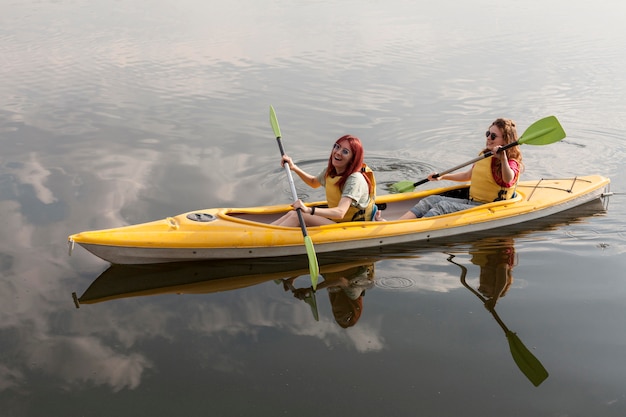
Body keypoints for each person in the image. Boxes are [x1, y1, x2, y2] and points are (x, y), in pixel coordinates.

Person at [399, 118, 523, 219]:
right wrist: (443, 177)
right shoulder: (485, 155)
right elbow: (467, 176)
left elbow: (508, 178)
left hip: (488, 208)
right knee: (431, 200)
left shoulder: (511, 162)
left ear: (506, 140)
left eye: (493, 136)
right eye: (488, 134)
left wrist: (503, 158)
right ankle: (399, 223)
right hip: (472, 202)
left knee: (443, 206)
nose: (488, 138)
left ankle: (413, 228)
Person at [272, 134, 377, 226]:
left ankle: (265, 239)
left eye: (345, 151)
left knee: (298, 216)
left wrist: (308, 210)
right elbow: (313, 182)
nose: (338, 152)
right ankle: (264, 232)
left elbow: (340, 212)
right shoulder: (331, 172)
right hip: (337, 221)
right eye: (337, 147)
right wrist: (294, 167)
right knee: (292, 213)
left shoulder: (354, 179)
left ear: (352, 160)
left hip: (351, 226)